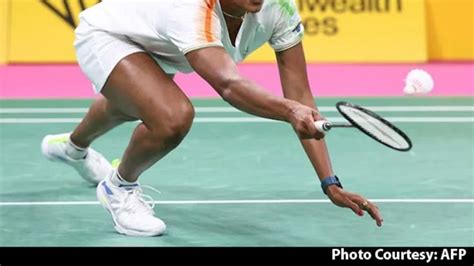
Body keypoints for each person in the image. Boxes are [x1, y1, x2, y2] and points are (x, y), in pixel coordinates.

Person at [41, 0, 383, 237]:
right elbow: (229, 85)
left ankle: (73, 148)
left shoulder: (278, 7)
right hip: (110, 35)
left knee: (128, 103)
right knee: (171, 115)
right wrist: (289, 111)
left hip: (161, 42)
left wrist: (330, 184)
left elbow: (300, 97)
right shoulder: (190, 10)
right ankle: (118, 187)